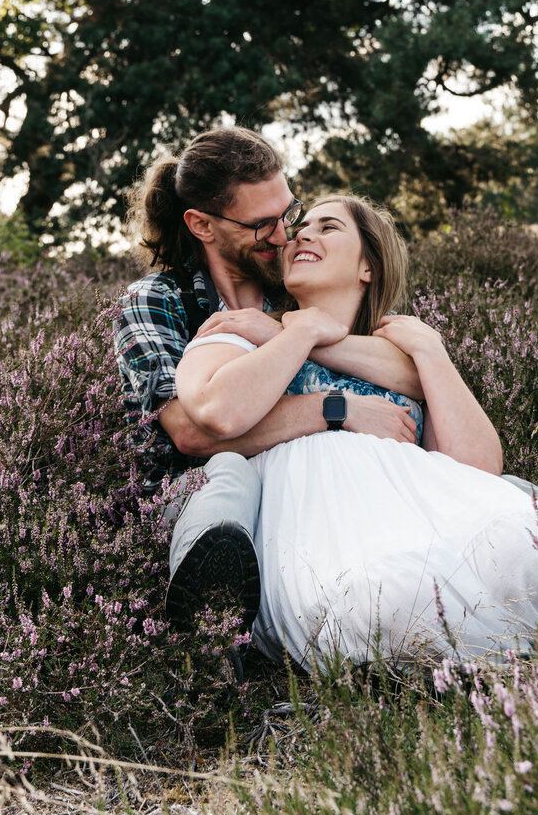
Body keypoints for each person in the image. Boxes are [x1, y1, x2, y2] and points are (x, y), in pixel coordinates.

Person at [175, 194, 538, 669]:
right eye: (303, 226)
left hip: (421, 513)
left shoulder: (403, 352)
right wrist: (294, 334)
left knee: (528, 556)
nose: (302, 233)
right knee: (383, 605)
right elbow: (215, 414)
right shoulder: (243, 333)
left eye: (329, 227)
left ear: (368, 267)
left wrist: (432, 352)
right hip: (318, 528)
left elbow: (477, 469)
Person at [114, 130, 422, 644]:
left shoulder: (298, 283)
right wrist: (334, 407)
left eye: (289, 213)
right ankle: (210, 628)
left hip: (316, 488)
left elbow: (410, 371)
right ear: (201, 225)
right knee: (228, 475)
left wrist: (289, 334)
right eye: (261, 225)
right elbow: (191, 436)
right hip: (197, 495)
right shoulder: (156, 302)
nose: (284, 236)